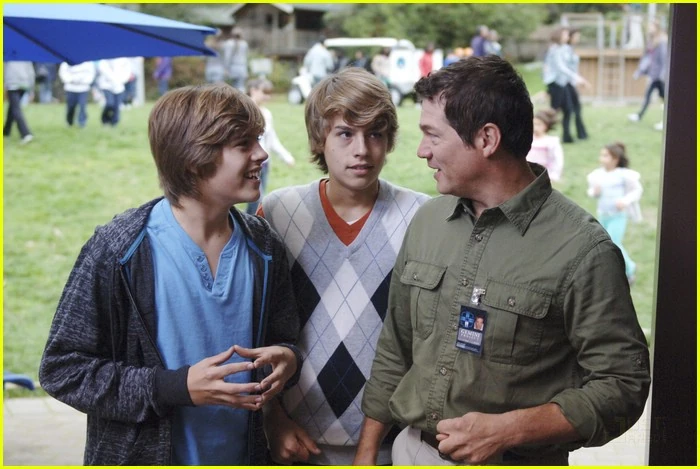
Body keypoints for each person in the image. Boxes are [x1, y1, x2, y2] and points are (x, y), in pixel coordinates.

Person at [354, 56, 650, 466]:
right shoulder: (427, 222)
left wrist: (510, 429)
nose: (422, 151)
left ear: (487, 139)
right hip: (412, 452)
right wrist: (367, 452)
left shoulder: (583, 250)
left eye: (432, 135)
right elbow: (395, 348)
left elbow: (623, 384)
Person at [38, 83, 303, 465]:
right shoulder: (119, 250)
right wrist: (174, 388)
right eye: (244, 144)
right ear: (195, 159)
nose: (261, 154)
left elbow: (285, 338)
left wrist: (287, 359)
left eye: (258, 140)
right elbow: (63, 369)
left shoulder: (264, 246)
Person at [259, 67, 430, 465]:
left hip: (392, 441)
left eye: (376, 134)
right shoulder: (278, 213)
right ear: (319, 138)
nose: (362, 150)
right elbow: (257, 327)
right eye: (345, 134)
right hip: (295, 439)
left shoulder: (421, 216)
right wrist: (272, 418)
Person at [586, 142, 642, 284]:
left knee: (614, 243)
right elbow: (592, 192)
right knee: (605, 243)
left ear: (615, 159)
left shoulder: (623, 175)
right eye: (601, 155)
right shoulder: (597, 175)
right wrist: (595, 192)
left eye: (606, 156)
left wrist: (625, 200)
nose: (602, 158)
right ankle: (614, 269)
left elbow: (636, 190)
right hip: (603, 215)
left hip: (618, 216)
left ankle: (629, 270)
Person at [245, 78, 296, 215]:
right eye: (264, 92)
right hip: (250, 163)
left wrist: (286, 157)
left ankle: (249, 221)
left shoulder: (267, 114)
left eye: (269, 93)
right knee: (257, 198)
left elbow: (272, 139)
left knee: (256, 199)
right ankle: (252, 222)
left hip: (264, 163)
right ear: (253, 90)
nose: (267, 97)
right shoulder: (244, 113)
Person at [543, 27, 589, 143]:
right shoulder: (554, 49)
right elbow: (561, 67)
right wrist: (578, 78)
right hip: (555, 83)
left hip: (562, 83)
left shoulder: (562, 48)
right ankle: (542, 134)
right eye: (565, 35)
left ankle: (567, 137)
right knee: (553, 111)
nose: (567, 37)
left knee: (568, 109)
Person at [628, 20, 668, 131]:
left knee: (664, 99)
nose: (649, 28)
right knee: (656, 97)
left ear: (656, 28)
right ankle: (639, 115)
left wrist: (663, 74)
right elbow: (647, 59)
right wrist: (639, 72)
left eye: (651, 26)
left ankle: (665, 121)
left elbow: (664, 59)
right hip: (654, 75)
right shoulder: (651, 42)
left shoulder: (662, 42)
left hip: (659, 76)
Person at [526, 108, 564, 182]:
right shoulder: (528, 139)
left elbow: (557, 159)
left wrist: (554, 175)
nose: (535, 127)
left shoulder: (551, 141)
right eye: (534, 124)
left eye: (539, 124)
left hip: (544, 174)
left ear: (546, 125)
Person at [564, 28, 588, 140]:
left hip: (571, 82)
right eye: (576, 36)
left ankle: (581, 133)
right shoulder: (564, 50)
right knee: (570, 109)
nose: (578, 38)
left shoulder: (570, 49)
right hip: (566, 83)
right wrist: (578, 80)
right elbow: (565, 68)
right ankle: (574, 135)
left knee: (574, 109)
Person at [3, 61, 35, 144]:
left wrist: (5, 84)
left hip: (12, 85)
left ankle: (26, 133)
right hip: (24, 84)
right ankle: (6, 131)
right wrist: (31, 88)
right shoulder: (25, 56)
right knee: (12, 107)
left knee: (15, 109)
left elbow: (5, 71)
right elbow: (31, 72)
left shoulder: (8, 56)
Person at [58, 61, 97, 128]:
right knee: (71, 107)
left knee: (82, 106)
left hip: (83, 88)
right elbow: (63, 72)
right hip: (70, 88)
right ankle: (69, 122)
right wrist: (70, 80)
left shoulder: (88, 62)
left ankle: (82, 123)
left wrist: (84, 81)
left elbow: (91, 73)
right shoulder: (67, 61)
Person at [97, 57, 131, 126]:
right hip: (107, 86)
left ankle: (114, 123)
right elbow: (103, 70)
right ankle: (105, 119)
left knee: (117, 106)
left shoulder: (123, 59)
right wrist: (114, 79)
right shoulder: (105, 60)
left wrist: (122, 80)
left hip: (119, 86)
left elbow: (127, 71)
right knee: (110, 104)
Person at [223, 27, 249, 92]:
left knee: (233, 87)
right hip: (242, 67)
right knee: (241, 86)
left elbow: (227, 57)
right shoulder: (244, 43)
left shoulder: (229, 43)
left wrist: (226, 69)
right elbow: (245, 57)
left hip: (233, 67)